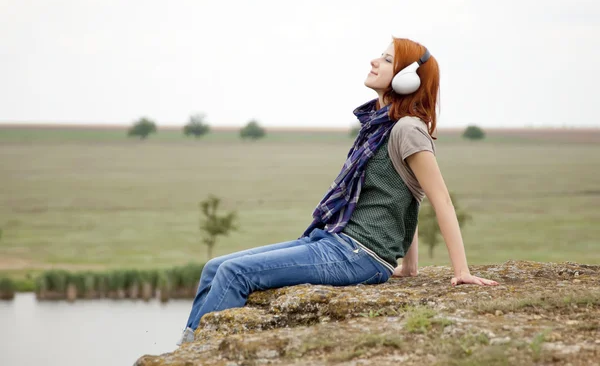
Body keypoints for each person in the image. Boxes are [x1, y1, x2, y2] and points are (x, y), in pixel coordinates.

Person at [176, 36, 499, 346]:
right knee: (215, 267)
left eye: (387, 59)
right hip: (335, 240)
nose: (374, 61)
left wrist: (461, 272)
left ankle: (197, 355)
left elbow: (438, 198)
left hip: (358, 253)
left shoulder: (407, 129)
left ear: (407, 80)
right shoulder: (379, 126)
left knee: (236, 273)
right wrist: (409, 266)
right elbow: (403, 193)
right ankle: (188, 350)